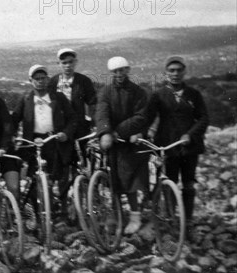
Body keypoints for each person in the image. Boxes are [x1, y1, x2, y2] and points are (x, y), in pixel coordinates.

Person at [148, 56, 209, 228]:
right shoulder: (158, 95)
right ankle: (170, 217)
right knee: (170, 181)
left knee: (188, 183)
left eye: (179, 70)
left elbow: (203, 118)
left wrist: (190, 135)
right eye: (171, 70)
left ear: (185, 72)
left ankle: (187, 220)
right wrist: (141, 133)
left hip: (190, 146)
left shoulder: (194, 94)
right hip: (168, 145)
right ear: (166, 73)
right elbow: (148, 117)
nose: (175, 74)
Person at [13, 65, 78, 216]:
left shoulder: (58, 97)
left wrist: (66, 133)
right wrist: (13, 135)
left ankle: (60, 211)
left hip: (54, 141)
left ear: (48, 79)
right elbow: (14, 119)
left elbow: (72, 118)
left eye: (43, 78)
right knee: (35, 177)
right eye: (36, 79)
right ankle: (38, 215)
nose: (40, 81)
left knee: (58, 176)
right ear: (31, 81)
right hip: (34, 143)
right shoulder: (25, 99)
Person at [96, 57, 149, 235]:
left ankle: (135, 217)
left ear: (127, 70)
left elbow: (141, 117)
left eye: (122, 70)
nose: (119, 74)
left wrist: (118, 132)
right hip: (114, 143)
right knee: (114, 179)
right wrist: (104, 133)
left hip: (132, 141)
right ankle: (117, 213)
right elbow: (102, 113)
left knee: (132, 181)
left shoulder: (138, 91)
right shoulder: (105, 92)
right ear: (111, 73)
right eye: (115, 72)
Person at [48, 48, 97, 145]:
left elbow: (93, 103)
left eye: (70, 62)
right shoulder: (53, 82)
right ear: (59, 64)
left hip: (79, 127)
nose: (68, 65)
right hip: (60, 128)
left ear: (75, 62)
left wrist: (94, 123)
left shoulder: (83, 81)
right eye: (64, 63)